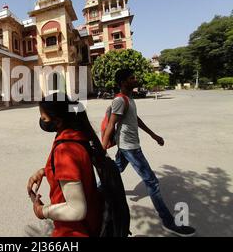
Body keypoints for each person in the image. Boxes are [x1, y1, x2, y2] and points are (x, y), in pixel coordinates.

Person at [101, 68, 196, 237]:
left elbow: (135, 119)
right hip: (129, 147)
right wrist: (102, 150)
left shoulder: (129, 98)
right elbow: (110, 126)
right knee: (152, 182)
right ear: (123, 82)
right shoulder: (120, 101)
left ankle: (92, 192)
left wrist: (153, 135)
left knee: (115, 171)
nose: (136, 79)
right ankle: (169, 222)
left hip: (128, 146)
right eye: (132, 78)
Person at [27, 93, 104, 237]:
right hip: (91, 223)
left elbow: (76, 210)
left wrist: (42, 211)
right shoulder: (76, 136)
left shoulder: (65, 150)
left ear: (58, 120)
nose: (42, 122)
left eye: (44, 118)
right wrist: (45, 171)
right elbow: (76, 169)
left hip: (74, 232)